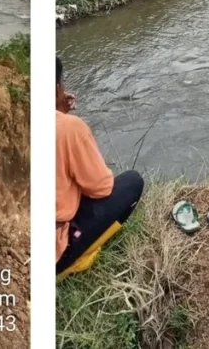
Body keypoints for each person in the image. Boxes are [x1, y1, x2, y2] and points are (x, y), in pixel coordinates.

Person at [56, 56, 144, 275]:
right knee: (132, 182)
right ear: (58, 87)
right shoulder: (70, 128)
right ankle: (72, 262)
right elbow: (101, 187)